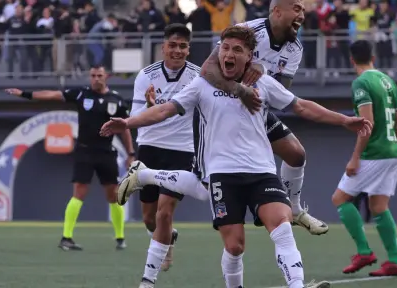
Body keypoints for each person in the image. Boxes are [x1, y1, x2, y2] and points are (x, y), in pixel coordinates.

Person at [102, 25, 372, 288]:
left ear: (249, 57)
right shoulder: (202, 85)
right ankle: (146, 176)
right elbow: (164, 110)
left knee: (282, 224)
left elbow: (301, 106)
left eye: (237, 50)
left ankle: (298, 284)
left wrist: (344, 120)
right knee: (234, 246)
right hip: (222, 175)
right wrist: (128, 123)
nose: (229, 54)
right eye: (225, 48)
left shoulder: (264, 83)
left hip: (262, 172)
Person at [199, 0, 328, 235]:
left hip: (254, 111)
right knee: (201, 184)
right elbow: (207, 70)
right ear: (277, 11)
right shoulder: (248, 31)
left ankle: (295, 209)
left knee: (296, 154)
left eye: (303, 9)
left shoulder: (295, 48)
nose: (302, 14)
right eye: (297, 8)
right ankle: (146, 175)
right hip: (221, 110)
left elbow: (281, 92)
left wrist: (262, 71)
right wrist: (240, 90)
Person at [5, 65, 135, 251]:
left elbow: (125, 129)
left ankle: (120, 238)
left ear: (107, 76)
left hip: (106, 152)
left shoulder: (117, 100)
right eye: (93, 75)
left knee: (113, 195)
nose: (96, 78)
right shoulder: (82, 94)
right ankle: (66, 238)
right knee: (79, 193)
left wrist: (130, 153)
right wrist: (24, 94)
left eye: (99, 75)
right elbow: (52, 95)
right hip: (85, 152)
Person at [129, 23, 200, 286]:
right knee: (149, 218)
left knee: (164, 213)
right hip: (149, 147)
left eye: (183, 46)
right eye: (173, 45)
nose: (177, 50)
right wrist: (149, 106)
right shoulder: (145, 76)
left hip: (182, 151)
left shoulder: (198, 76)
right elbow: (135, 118)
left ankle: (148, 279)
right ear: (163, 47)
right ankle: (167, 237)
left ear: (188, 50)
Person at [330, 40, 397, 277]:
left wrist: (355, 158)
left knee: (340, 199)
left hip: (373, 153)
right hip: (393, 151)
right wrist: (391, 143)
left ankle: (364, 252)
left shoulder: (361, 82)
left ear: (352, 60)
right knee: (378, 206)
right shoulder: (388, 81)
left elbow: (367, 124)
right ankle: (394, 260)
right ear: (373, 57)